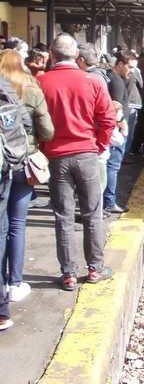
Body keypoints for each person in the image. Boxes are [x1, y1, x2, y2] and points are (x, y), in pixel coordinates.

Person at [38, 33, 116, 291]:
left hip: (57, 157)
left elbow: (35, 122)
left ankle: (68, 274)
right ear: (75, 55)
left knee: (63, 216)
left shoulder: (42, 82)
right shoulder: (92, 81)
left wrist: (44, 148)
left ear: (52, 54)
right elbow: (107, 119)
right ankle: (95, 269)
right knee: (92, 214)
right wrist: (100, 145)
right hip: (87, 155)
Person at [0, 50, 54, 302]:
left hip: (2, 165)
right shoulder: (32, 88)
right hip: (23, 161)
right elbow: (46, 130)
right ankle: (16, 283)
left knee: (1, 227)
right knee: (18, 224)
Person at [0, 71, 32, 330]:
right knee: (10, 226)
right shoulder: (4, 84)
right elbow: (27, 122)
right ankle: (3, 305)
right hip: (5, 167)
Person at [104, 50, 137, 213]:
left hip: (112, 129)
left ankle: (107, 200)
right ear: (120, 64)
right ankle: (109, 201)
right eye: (130, 67)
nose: (131, 71)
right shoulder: (116, 81)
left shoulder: (111, 77)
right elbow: (115, 106)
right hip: (115, 130)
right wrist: (122, 125)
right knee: (113, 165)